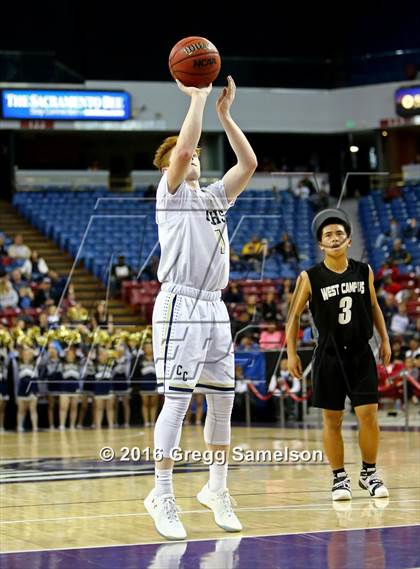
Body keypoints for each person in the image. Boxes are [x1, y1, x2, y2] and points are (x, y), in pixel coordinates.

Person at [144, 76, 257, 541]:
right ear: (171, 162)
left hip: (214, 307)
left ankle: (216, 489)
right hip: (179, 303)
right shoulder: (169, 195)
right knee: (177, 400)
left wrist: (225, 117)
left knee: (223, 400)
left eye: (195, 154)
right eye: (184, 154)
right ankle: (162, 492)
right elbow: (185, 143)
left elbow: (248, 163)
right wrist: (197, 98)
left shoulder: (213, 198)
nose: (193, 156)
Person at [286, 208, 390, 502]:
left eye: (339, 234)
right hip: (329, 356)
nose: (334, 239)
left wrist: (385, 339)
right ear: (320, 244)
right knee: (333, 419)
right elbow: (293, 318)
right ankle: (339, 478)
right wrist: (291, 353)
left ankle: (369, 473)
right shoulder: (309, 277)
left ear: (348, 239)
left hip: (360, 352)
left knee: (368, 415)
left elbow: (373, 306)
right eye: (327, 235)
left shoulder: (364, 270)